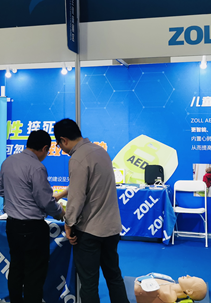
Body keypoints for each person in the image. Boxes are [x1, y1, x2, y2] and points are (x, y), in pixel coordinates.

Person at [54, 118, 128, 303]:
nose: (60, 148)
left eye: (58, 144)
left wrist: (68, 224)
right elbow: (88, 183)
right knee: (114, 277)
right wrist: (61, 194)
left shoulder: (77, 158)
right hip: (111, 228)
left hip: (89, 232)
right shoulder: (100, 151)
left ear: (63, 140)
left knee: (88, 284)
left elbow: (77, 197)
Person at [0, 130, 65, 303]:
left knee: (16, 268)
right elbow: (45, 201)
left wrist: (16, 197)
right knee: (34, 274)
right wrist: (59, 212)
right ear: (44, 148)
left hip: (12, 225)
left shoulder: (8, 161)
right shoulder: (37, 167)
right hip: (33, 228)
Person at [130, 274, 207, 303]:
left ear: (189, 291)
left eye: (191, 279)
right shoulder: (170, 282)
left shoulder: (168, 295)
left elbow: (138, 287)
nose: (188, 276)